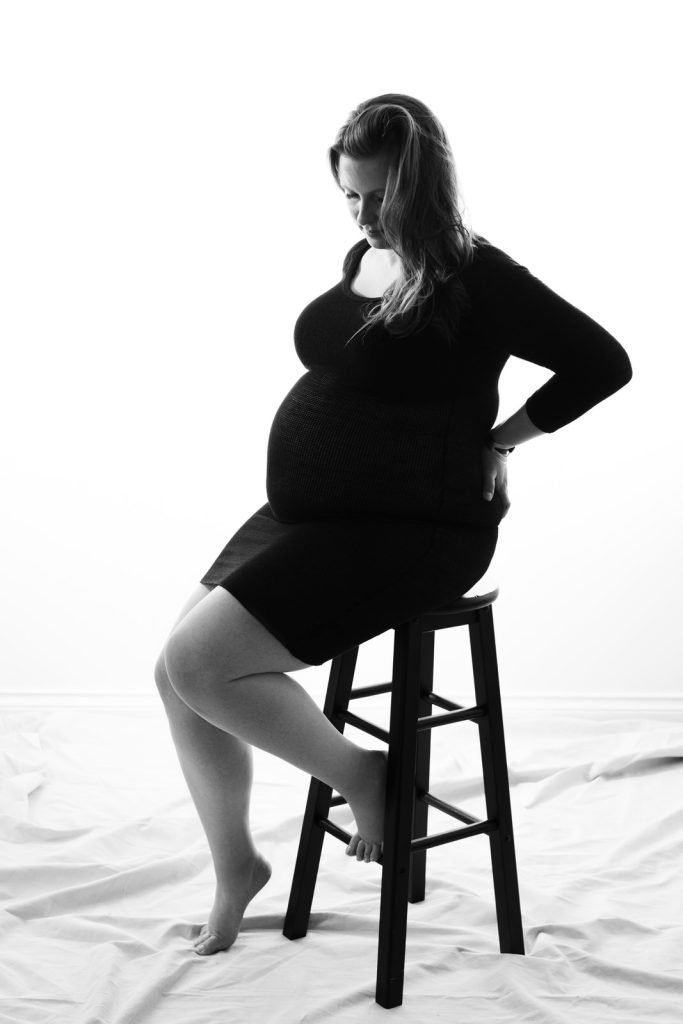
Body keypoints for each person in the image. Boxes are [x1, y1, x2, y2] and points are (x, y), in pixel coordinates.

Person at [154, 93, 632, 957]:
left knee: (201, 664)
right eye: (349, 196)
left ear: (422, 186)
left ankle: (366, 774)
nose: (363, 214)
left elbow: (601, 362)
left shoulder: (476, 274)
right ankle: (237, 869)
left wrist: (504, 440)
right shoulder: (366, 253)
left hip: (415, 527)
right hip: (311, 515)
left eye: (378, 197)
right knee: (174, 673)